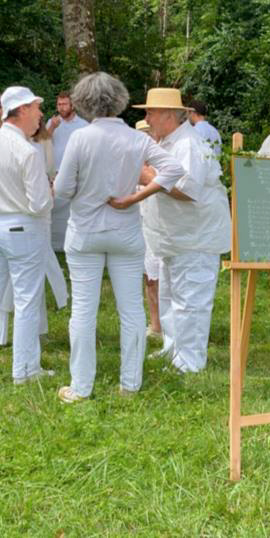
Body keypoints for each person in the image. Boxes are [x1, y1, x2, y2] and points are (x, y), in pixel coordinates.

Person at [54, 73, 187, 403]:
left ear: (83, 102)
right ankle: (130, 384)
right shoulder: (136, 139)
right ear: (119, 100)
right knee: (131, 310)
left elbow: (62, 190)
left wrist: (82, 191)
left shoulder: (80, 139)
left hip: (85, 232)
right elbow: (173, 170)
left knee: (84, 310)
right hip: (126, 232)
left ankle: (81, 387)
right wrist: (134, 198)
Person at [110, 87, 231, 374]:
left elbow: (186, 190)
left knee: (191, 301)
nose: (147, 118)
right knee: (169, 298)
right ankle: (172, 349)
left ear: (168, 115)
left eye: (150, 112)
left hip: (194, 239)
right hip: (174, 238)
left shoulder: (188, 144)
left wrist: (145, 174)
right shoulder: (166, 143)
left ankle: (189, 363)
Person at [0, 86, 54, 384]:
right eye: (35, 108)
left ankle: (25, 366)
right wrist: (51, 191)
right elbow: (39, 204)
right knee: (27, 301)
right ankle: (24, 370)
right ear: (21, 110)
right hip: (23, 228)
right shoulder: (26, 151)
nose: (40, 114)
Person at [47, 91, 89, 250]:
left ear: (73, 105)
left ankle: (73, 244)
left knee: (73, 212)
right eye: (59, 104)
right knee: (53, 211)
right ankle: (53, 245)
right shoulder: (52, 122)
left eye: (64, 104)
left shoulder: (84, 125)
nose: (61, 108)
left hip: (76, 174)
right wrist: (51, 127)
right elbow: (43, 143)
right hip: (54, 173)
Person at [135, 119, 162, 340]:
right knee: (150, 278)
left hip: (164, 227)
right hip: (143, 227)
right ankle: (155, 325)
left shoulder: (162, 162)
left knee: (167, 279)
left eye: (149, 134)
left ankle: (169, 327)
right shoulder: (132, 164)